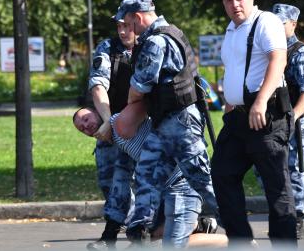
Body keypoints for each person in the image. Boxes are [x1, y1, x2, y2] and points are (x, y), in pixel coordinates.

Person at [112, 0, 220, 246]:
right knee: (147, 171)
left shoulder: (157, 41)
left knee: (201, 178)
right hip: (165, 121)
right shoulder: (166, 34)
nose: (127, 28)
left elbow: (139, 87)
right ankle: (139, 228)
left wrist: (131, 102)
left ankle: (237, 229)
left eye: (128, 22)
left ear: (138, 17)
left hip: (180, 122)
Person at [211, 0, 297, 248]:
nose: (234, 4)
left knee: (276, 187)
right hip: (238, 117)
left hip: (266, 116)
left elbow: (278, 59)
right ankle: (240, 243)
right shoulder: (231, 29)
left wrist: (260, 101)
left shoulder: (266, 21)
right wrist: (230, 101)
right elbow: (235, 68)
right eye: (228, 0)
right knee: (222, 174)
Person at [73, 104, 227, 248]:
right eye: (82, 128)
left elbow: (143, 103)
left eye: (86, 119)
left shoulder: (120, 123)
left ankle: (239, 241)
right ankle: (200, 225)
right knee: (142, 239)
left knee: (172, 244)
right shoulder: (115, 141)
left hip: (182, 182)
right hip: (165, 190)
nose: (86, 126)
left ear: (99, 113)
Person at [253, 3, 304, 239]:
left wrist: (293, 118)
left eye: (281, 23)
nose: (277, 28)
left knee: (293, 168)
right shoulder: (268, 51)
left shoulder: (301, 53)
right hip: (270, 119)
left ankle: (296, 217)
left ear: (293, 24)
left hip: (295, 120)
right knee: (265, 168)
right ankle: (281, 212)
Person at [83, 17, 136, 250]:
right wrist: (108, 122)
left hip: (147, 124)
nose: (123, 32)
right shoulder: (108, 48)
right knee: (111, 179)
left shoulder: (153, 44)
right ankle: (121, 229)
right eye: (119, 26)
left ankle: (209, 222)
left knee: (151, 181)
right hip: (113, 124)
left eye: (128, 26)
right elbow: (98, 85)